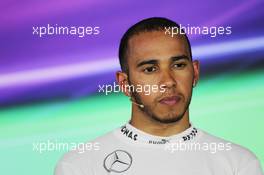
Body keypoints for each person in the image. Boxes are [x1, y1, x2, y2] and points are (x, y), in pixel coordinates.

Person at [54, 17, 263, 175]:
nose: (168, 81)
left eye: (178, 65)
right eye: (150, 69)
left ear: (195, 72)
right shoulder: (80, 166)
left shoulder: (239, 164)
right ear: (125, 84)